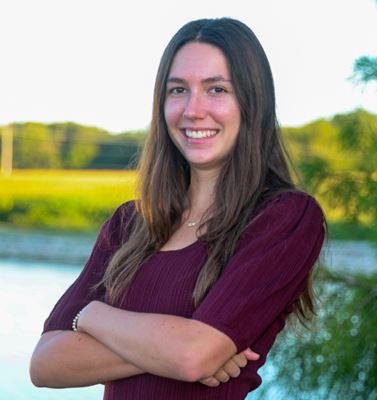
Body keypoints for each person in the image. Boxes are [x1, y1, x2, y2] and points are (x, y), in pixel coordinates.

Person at [29, 17, 325, 399]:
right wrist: (174, 347)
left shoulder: (285, 217)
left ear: (252, 102)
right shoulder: (130, 223)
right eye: (178, 90)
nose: (193, 109)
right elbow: (45, 364)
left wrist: (90, 316)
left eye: (216, 89)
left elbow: (192, 357)